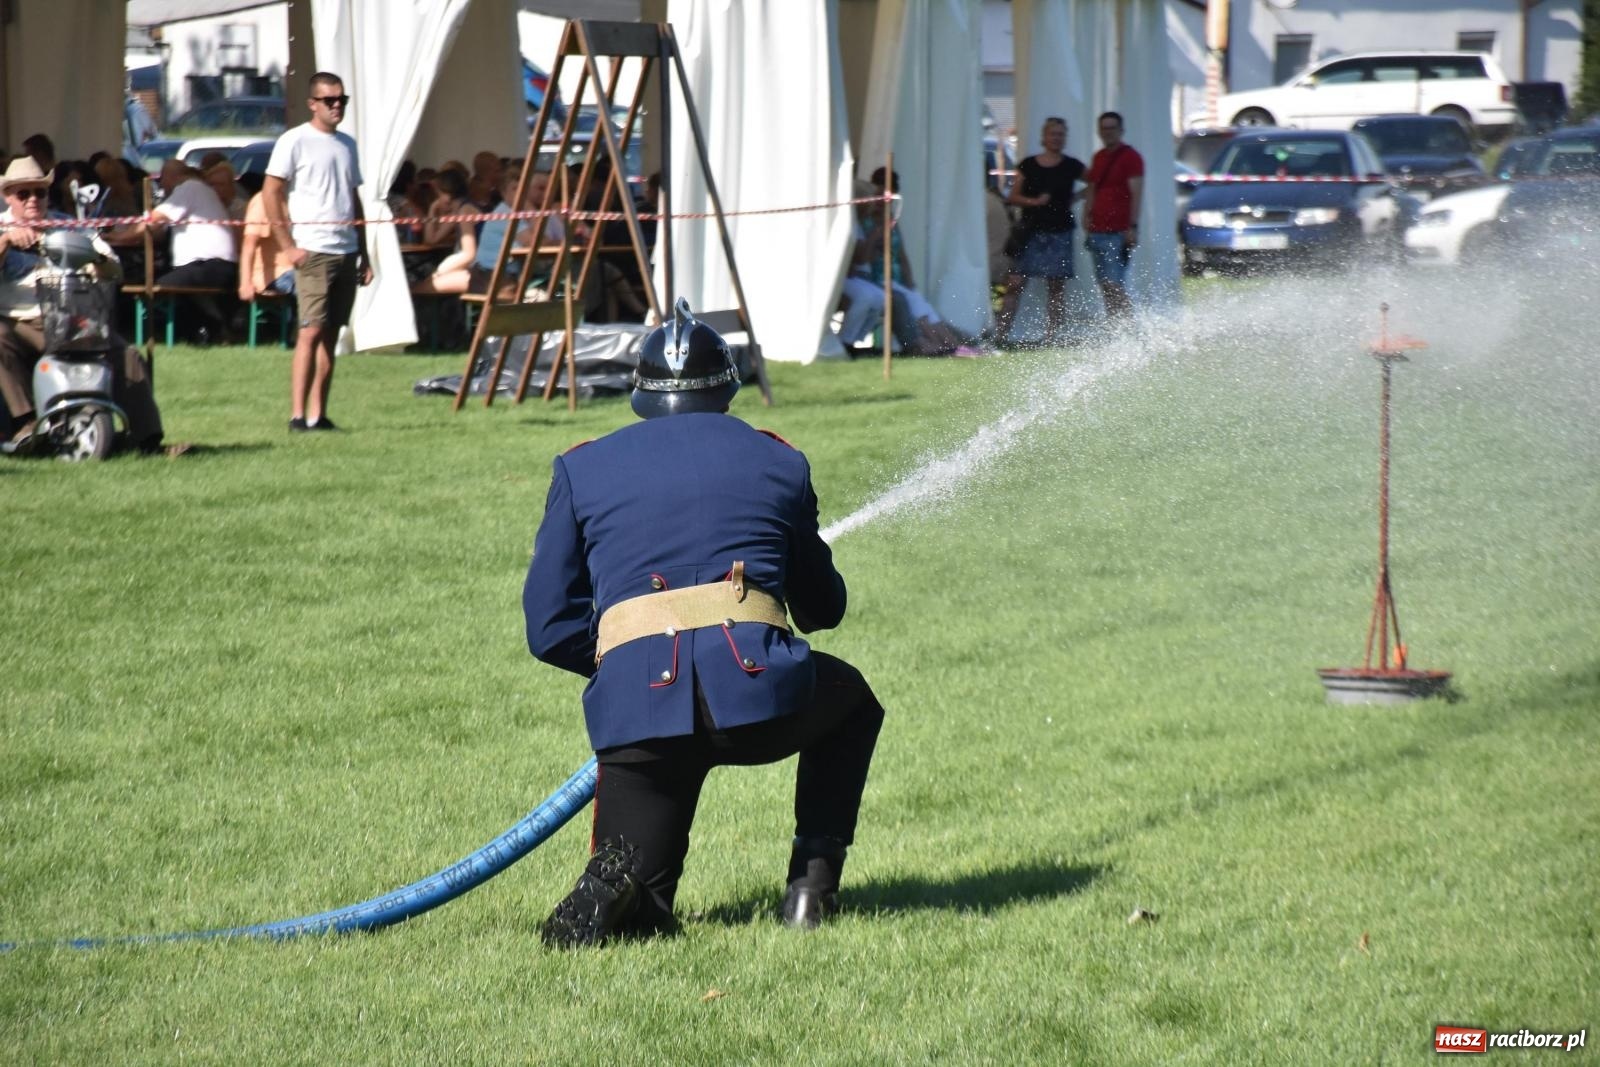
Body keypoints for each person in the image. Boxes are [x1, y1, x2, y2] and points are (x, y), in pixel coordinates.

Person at [525, 300, 886, 947]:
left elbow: (548, 626)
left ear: (640, 392)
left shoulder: (580, 466)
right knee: (852, 701)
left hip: (638, 707)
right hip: (760, 702)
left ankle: (621, 879)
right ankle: (810, 895)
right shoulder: (778, 461)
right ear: (726, 387)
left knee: (640, 885)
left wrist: (626, 657)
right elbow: (824, 610)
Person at [0, 155, 162, 450]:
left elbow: (112, 266)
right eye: (23, 193)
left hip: (73, 318)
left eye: (40, 192)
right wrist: (7, 242)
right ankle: (24, 424)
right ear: (8, 196)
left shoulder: (70, 226)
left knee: (128, 356)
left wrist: (92, 258)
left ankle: (149, 440)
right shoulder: (1, 228)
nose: (33, 200)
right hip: (21, 319)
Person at [263, 71, 372, 432]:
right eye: (330, 100)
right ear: (313, 103)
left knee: (331, 334)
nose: (337, 105)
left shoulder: (348, 144)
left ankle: (318, 414)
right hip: (312, 251)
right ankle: (297, 416)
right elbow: (271, 192)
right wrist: (288, 247)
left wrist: (365, 253)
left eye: (342, 99)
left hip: (345, 250)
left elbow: (353, 199)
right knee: (310, 331)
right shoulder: (295, 141)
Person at [105, 159, 240, 343]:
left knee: (150, 285)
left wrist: (118, 237)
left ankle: (209, 329)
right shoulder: (199, 191)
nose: (160, 184)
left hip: (208, 266)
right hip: (214, 267)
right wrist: (129, 233)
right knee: (164, 280)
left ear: (174, 177)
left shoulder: (189, 187)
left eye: (162, 178)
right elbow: (159, 231)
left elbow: (154, 221)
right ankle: (205, 331)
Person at [992, 116, 1085, 346]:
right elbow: (1012, 196)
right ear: (1044, 137)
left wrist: (1077, 198)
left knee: (1056, 287)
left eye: (1061, 134)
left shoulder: (1072, 166)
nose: (1057, 138)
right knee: (1015, 283)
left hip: (1060, 230)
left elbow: (1094, 181)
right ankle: (1001, 334)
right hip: (1031, 231)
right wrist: (1035, 202)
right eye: (1053, 134)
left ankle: (1053, 336)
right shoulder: (1028, 165)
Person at [1081, 111, 1144, 322]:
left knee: (1113, 283)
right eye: (1104, 128)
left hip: (1118, 231)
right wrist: (1086, 214)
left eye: (1112, 128)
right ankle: (1115, 326)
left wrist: (1132, 226)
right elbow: (1092, 188)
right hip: (1097, 229)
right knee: (1105, 285)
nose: (1107, 132)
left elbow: (1137, 193)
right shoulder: (1098, 157)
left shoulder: (1131, 157)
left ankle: (1130, 324)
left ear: (1121, 130)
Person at [238, 189, 295, 303]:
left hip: (299, 269)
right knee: (311, 285)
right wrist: (245, 283)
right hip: (275, 275)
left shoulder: (296, 197)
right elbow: (249, 243)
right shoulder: (262, 201)